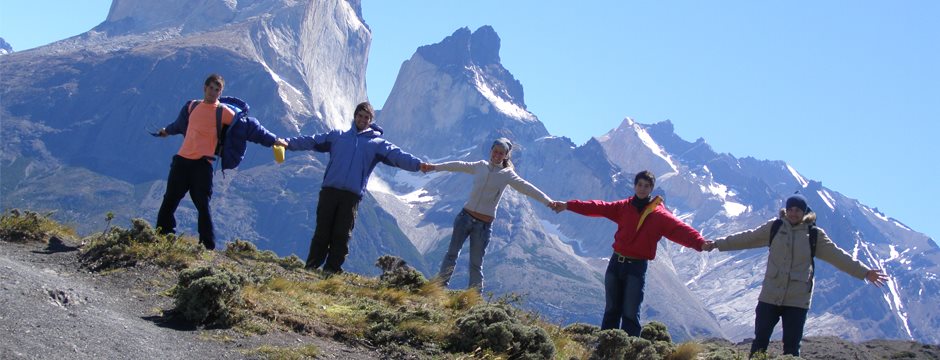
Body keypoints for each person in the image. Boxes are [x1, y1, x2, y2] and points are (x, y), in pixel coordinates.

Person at [702, 194, 887, 358]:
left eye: (798, 210)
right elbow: (747, 238)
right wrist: (718, 244)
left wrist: (865, 272)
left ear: (804, 212)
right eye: (790, 209)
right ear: (785, 210)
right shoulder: (774, 228)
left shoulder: (813, 235)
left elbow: (838, 256)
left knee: (791, 348)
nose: (793, 213)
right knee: (759, 344)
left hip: (796, 301)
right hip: (770, 296)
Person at [550, 170, 705, 336]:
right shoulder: (624, 207)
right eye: (639, 185)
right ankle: (606, 349)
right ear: (635, 186)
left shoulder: (659, 215)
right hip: (616, 263)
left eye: (646, 186)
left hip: (636, 267)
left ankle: (630, 350)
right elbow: (598, 207)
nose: (642, 189)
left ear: (652, 189)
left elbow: (679, 229)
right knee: (611, 309)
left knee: (630, 313)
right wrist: (568, 205)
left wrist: (700, 242)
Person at [285, 101, 424, 274]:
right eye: (360, 116)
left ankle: (332, 269)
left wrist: (419, 165)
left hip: (351, 196)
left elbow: (398, 156)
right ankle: (312, 266)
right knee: (322, 231)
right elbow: (312, 141)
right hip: (330, 191)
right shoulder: (338, 136)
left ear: (371, 120)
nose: (362, 120)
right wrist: (287, 143)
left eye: (366, 117)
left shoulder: (377, 144)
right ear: (355, 116)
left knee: (342, 234)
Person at [155, 74, 287, 250]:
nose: (214, 92)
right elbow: (179, 125)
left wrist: (274, 140)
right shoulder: (191, 106)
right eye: (211, 88)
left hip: (202, 165)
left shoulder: (223, 112)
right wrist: (166, 131)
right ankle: (162, 237)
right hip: (182, 161)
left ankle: (207, 246)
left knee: (202, 205)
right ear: (205, 88)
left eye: (218, 90)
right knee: (169, 200)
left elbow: (251, 128)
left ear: (221, 92)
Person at [422, 138, 555, 292]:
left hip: (483, 226)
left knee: (475, 264)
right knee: (451, 254)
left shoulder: (507, 174)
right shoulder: (480, 166)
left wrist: (548, 201)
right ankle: (439, 289)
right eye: (495, 151)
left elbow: (527, 188)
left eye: (501, 153)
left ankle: (474, 299)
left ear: (506, 156)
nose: (497, 155)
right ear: (491, 151)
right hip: (464, 218)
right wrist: (434, 167)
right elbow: (457, 165)